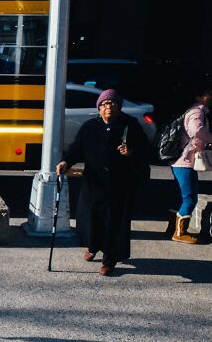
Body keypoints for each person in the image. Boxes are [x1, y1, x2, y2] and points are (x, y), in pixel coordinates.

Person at [56, 88, 149, 276]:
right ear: (99, 108)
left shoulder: (129, 126)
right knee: (93, 218)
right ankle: (93, 247)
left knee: (114, 221)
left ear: (119, 107)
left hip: (120, 183)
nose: (109, 107)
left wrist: (131, 152)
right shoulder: (90, 127)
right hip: (94, 183)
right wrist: (66, 161)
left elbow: (145, 149)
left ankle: (109, 259)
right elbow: (77, 148)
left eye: (113, 103)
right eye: (105, 104)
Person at [168, 84, 212, 244]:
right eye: (207, 93)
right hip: (185, 161)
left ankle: (172, 229)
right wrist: (211, 139)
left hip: (181, 160)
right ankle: (180, 233)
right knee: (190, 198)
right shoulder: (197, 112)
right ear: (198, 97)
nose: (210, 96)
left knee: (180, 197)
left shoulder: (192, 110)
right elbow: (197, 131)